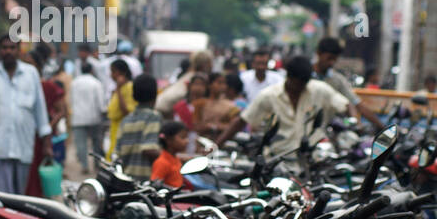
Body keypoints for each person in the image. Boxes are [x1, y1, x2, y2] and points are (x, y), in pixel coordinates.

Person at [218, 55, 350, 156]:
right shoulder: (269, 95)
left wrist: (355, 124)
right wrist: (216, 146)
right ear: (289, 77)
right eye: (297, 84)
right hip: (279, 160)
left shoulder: (319, 89)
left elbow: (345, 105)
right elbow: (243, 120)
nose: (300, 88)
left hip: (313, 159)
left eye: (304, 84)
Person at [0, 35, 51, 195]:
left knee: (19, 196)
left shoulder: (31, 74)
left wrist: (46, 143)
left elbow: (40, 108)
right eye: (4, 48)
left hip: (23, 145)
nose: (8, 51)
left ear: (19, 50)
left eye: (12, 48)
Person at [313, 37, 382, 129]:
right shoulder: (304, 76)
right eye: (329, 58)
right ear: (319, 53)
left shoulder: (337, 80)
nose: (331, 63)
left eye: (334, 59)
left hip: (325, 133)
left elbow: (357, 104)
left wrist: (382, 126)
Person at [114, 74, 162, 180]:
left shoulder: (126, 120)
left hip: (127, 181)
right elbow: (148, 149)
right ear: (155, 95)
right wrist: (171, 158)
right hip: (145, 182)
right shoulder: (153, 116)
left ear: (133, 95)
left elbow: (117, 153)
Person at [69, 60, 108, 174]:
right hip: (94, 118)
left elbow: (71, 100)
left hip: (78, 118)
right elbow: (101, 103)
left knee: (81, 144)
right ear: (91, 70)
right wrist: (103, 112)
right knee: (96, 142)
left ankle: (84, 165)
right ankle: (96, 165)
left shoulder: (74, 83)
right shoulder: (96, 83)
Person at [156, 50, 214, 117]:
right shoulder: (198, 78)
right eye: (210, 63)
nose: (212, 66)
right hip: (165, 112)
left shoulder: (188, 75)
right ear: (205, 65)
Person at [106, 58, 136, 158]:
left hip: (122, 129)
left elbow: (127, 112)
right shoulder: (118, 88)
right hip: (114, 129)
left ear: (122, 73)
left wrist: (118, 89)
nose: (111, 75)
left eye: (113, 71)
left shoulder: (129, 87)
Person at [151, 119, 190, 189]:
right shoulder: (162, 162)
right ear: (169, 140)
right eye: (183, 137)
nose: (187, 141)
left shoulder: (175, 158)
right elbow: (155, 187)